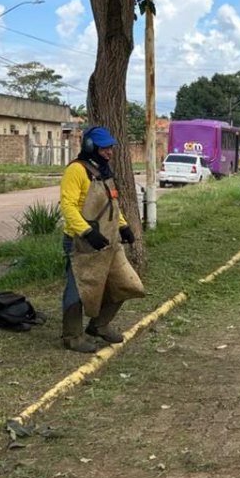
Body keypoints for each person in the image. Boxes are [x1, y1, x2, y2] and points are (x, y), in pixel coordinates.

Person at [59, 125, 145, 353]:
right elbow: (67, 207)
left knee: (127, 284)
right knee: (78, 289)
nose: (109, 151)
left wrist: (124, 226)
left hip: (110, 241)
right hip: (80, 242)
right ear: (90, 146)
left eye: (110, 147)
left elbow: (112, 205)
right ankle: (72, 336)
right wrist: (86, 231)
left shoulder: (104, 171)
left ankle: (99, 326)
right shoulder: (75, 171)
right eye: (104, 147)